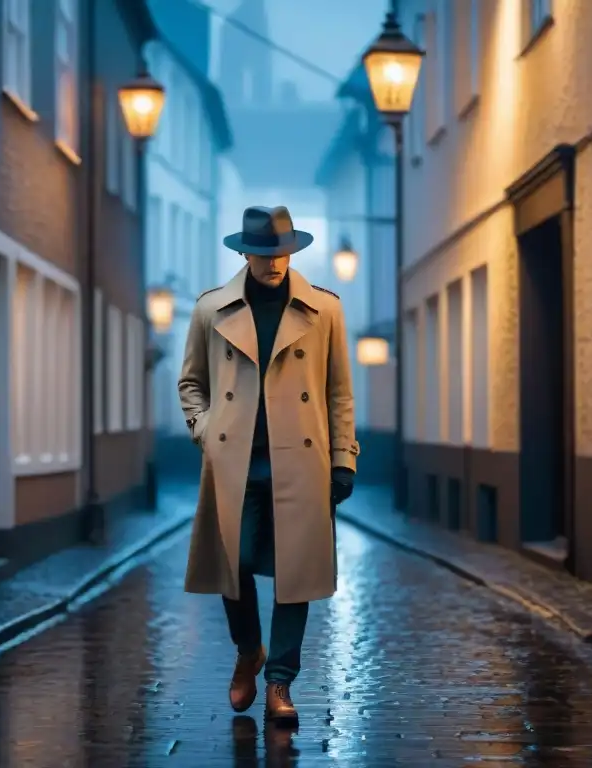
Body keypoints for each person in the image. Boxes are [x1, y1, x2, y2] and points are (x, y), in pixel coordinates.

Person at [178, 205, 359, 725]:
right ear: (245, 253)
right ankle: (248, 650)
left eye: (282, 252)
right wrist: (205, 429)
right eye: (263, 253)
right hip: (235, 463)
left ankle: (279, 682)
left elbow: (339, 393)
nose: (274, 262)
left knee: (293, 576)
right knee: (230, 569)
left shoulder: (324, 311)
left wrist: (343, 458)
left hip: (301, 462)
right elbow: (191, 383)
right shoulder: (211, 310)